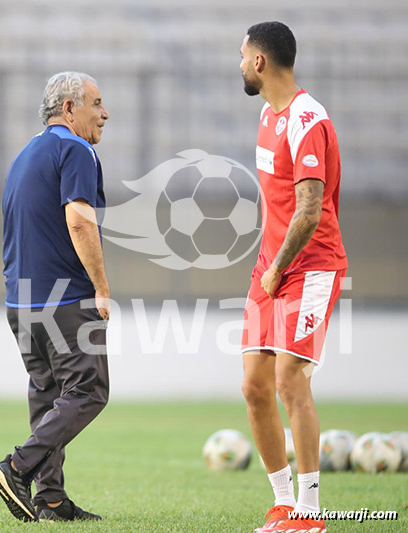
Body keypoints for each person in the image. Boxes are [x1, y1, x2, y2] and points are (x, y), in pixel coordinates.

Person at [0, 72, 111, 522]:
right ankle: (16, 467)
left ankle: (51, 501)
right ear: (70, 108)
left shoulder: (25, 154)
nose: (105, 113)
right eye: (96, 103)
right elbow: (78, 219)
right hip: (65, 298)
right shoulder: (76, 149)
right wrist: (100, 287)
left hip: (20, 300)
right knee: (89, 390)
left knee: (48, 394)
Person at [239, 22, 347, 533]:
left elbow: (308, 211)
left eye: (243, 56)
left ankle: (311, 513)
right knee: (254, 387)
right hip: (271, 267)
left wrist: (278, 266)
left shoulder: (308, 119)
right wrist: (266, 263)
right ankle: (283, 503)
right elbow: (277, 205)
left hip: (310, 264)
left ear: (260, 62)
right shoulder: (266, 115)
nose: (239, 64)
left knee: (290, 380)